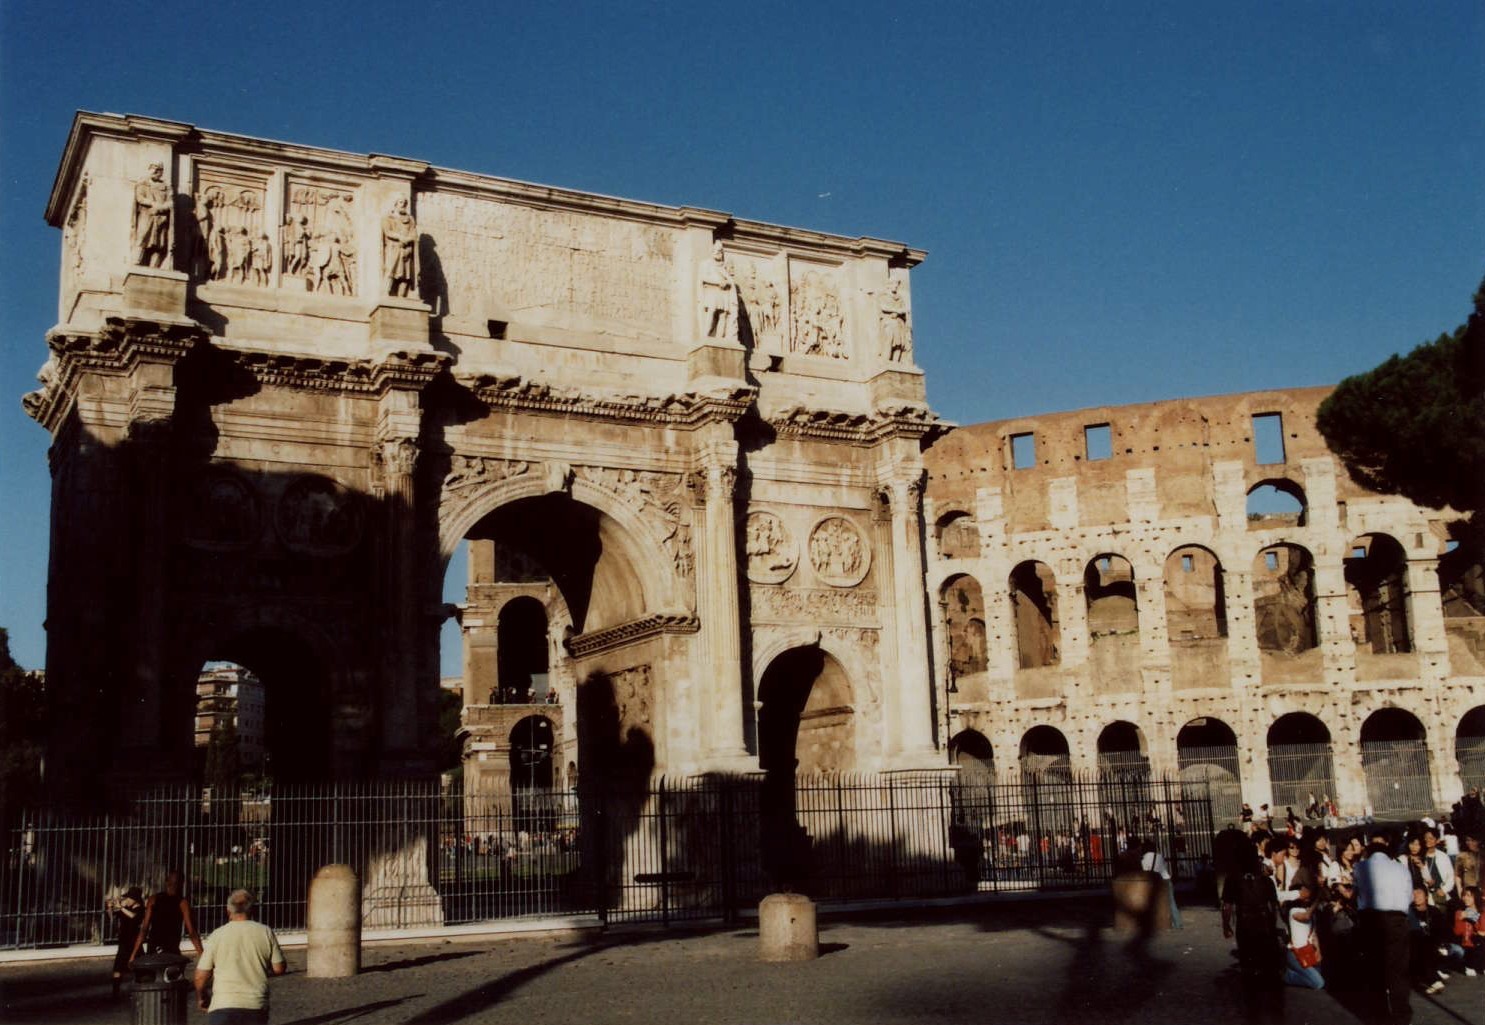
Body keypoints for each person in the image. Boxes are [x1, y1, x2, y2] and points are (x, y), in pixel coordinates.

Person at [193, 889, 286, 1024]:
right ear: (251, 910)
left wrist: (201, 997)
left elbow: (200, 976)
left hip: (222, 1005)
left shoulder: (217, 935)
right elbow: (279, 968)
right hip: (255, 1005)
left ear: (228, 911)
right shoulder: (265, 931)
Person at [1356, 835, 1414, 1025]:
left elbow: (1357, 892)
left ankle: (1379, 1016)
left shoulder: (1360, 867)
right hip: (1397, 920)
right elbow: (1410, 897)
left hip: (1371, 920)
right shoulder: (1401, 868)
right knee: (1398, 971)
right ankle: (1401, 1016)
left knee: (1375, 970)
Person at [130, 869, 203, 962]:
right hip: (171, 950)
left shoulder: (153, 900)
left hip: (154, 949)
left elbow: (144, 929)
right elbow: (191, 932)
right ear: (182, 884)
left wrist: (133, 955)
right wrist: (202, 954)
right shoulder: (182, 903)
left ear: (166, 882)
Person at [1282, 878, 1326, 988]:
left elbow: (1314, 934)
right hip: (1296, 953)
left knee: (1317, 977)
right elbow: (1306, 916)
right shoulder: (1293, 911)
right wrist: (1317, 901)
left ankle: (1295, 972)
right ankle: (1287, 976)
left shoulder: (1309, 912)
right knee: (1318, 983)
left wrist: (1318, 951)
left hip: (1308, 951)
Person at [107, 886, 144, 998]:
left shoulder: (140, 909)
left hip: (134, 942)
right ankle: (115, 992)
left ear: (135, 899)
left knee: (138, 967)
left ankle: (140, 991)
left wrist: (121, 908)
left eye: (129, 898)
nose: (127, 900)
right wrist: (110, 909)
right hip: (123, 942)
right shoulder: (125, 909)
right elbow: (113, 918)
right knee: (117, 968)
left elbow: (134, 916)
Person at [131, 162, 172, 267]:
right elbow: (140, 198)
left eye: (158, 170)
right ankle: (136, 261)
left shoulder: (166, 186)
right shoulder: (143, 184)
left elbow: (171, 202)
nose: (155, 172)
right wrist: (152, 203)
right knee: (142, 237)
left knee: (159, 243)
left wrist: (160, 208)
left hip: (161, 217)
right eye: (154, 170)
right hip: (146, 215)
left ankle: (154, 266)